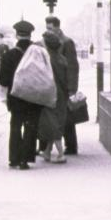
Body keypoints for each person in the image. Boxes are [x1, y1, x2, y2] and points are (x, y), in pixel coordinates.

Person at [0, 20, 41, 170]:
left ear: (17, 35)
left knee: (15, 125)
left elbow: (1, 79)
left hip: (15, 98)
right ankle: (25, 160)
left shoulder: (9, 55)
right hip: (33, 97)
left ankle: (14, 158)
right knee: (30, 126)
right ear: (30, 35)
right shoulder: (38, 53)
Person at [45, 15, 79, 155]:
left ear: (58, 27)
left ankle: (71, 146)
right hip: (53, 86)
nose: (48, 31)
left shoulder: (67, 42)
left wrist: (72, 88)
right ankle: (49, 148)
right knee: (56, 117)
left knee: (67, 118)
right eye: (47, 28)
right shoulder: (50, 41)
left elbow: (72, 66)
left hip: (63, 87)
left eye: (50, 28)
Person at [38, 30, 69, 164]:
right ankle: (47, 152)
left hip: (50, 94)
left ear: (48, 45)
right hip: (61, 94)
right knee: (55, 121)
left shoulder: (46, 59)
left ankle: (60, 154)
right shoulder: (62, 59)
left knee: (52, 123)